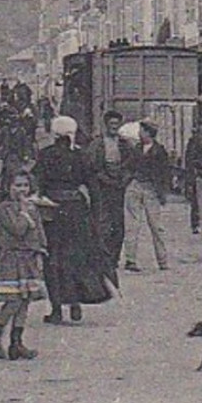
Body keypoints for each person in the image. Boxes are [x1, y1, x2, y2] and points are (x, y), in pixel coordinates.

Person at [33, 115, 95, 324]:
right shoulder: (81, 156)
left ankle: (57, 309)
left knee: (52, 260)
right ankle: (75, 302)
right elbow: (90, 184)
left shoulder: (45, 155)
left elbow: (38, 183)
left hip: (52, 211)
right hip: (76, 210)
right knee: (75, 256)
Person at [0, 170, 48, 360]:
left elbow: (39, 232)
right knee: (14, 299)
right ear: (9, 187)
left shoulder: (32, 207)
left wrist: (40, 251)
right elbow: (17, 230)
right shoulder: (4, 208)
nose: (21, 189)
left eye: (25, 185)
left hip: (27, 258)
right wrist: (25, 213)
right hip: (9, 258)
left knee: (25, 299)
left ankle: (16, 342)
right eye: (17, 185)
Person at [82, 110, 129, 304]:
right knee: (102, 221)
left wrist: (123, 178)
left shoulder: (125, 144)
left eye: (117, 124)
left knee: (118, 224)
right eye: (111, 124)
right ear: (105, 125)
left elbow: (130, 164)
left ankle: (114, 257)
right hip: (101, 187)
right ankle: (103, 256)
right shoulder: (97, 144)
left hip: (118, 185)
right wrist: (103, 178)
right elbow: (91, 166)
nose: (114, 127)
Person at [123, 119, 171, 272]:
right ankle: (131, 260)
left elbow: (164, 173)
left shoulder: (159, 151)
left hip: (150, 188)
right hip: (136, 186)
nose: (139, 133)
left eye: (142, 131)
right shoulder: (137, 148)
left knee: (156, 226)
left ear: (149, 133)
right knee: (132, 225)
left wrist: (162, 192)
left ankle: (162, 260)